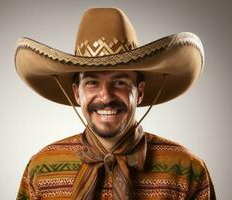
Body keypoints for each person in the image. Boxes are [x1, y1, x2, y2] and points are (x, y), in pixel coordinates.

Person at [15, 8, 216, 200]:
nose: (106, 96)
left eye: (120, 82)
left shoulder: (187, 170)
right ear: (77, 93)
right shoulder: (40, 169)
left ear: (140, 92)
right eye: (92, 83)